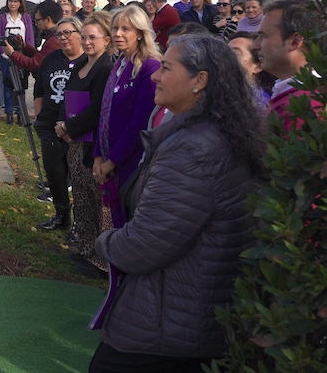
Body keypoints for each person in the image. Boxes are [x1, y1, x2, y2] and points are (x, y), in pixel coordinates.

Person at [91, 34, 262, 372]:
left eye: (166, 68)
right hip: (195, 312)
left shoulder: (191, 150)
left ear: (199, 81)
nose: (155, 75)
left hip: (167, 325)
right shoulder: (222, 131)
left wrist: (106, 241)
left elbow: (144, 245)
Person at [54, 11, 114, 276]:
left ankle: (102, 260)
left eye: (93, 37)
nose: (87, 42)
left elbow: (98, 108)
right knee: (81, 197)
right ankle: (87, 250)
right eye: (84, 37)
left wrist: (69, 127)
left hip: (92, 144)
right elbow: (68, 99)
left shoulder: (107, 67)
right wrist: (62, 126)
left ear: (106, 39)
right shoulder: (81, 65)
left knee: (96, 199)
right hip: (74, 142)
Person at [93, 5, 162, 228]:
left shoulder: (150, 67)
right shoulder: (120, 64)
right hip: (110, 159)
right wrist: (98, 157)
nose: (118, 34)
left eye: (126, 29)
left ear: (141, 33)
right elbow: (105, 114)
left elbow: (139, 123)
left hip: (130, 162)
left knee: (128, 226)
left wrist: (111, 161)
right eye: (115, 28)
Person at [32, 14, 83, 231]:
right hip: (49, 125)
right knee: (55, 174)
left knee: (79, 177)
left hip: (78, 129)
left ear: (80, 34)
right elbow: (39, 89)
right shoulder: (51, 59)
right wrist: (38, 117)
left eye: (68, 33)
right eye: (59, 34)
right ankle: (62, 216)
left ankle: (82, 224)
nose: (63, 38)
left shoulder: (89, 61)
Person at [254, 0, 326, 123]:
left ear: (294, 42)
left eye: (263, 36)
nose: (254, 45)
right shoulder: (297, 96)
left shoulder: (305, 109)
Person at [2, 0, 64, 125]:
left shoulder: (53, 40)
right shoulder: (52, 37)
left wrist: (12, 53)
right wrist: (24, 46)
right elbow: (41, 56)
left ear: (48, 19)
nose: (36, 24)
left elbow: (35, 63)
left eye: (37, 20)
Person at [0, 0, 34, 125]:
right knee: (8, 84)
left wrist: (29, 53)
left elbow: (29, 37)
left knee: (21, 85)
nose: (13, 4)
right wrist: (3, 53)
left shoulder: (26, 17)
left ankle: (21, 113)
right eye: (11, 1)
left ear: (20, 3)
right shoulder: (2, 18)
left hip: (21, 55)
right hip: (7, 56)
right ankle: (9, 112)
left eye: (16, 1)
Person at [227, 32, 274, 107]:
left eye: (235, 54)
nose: (224, 58)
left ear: (257, 67)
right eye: (224, 52)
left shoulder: (261, 104)